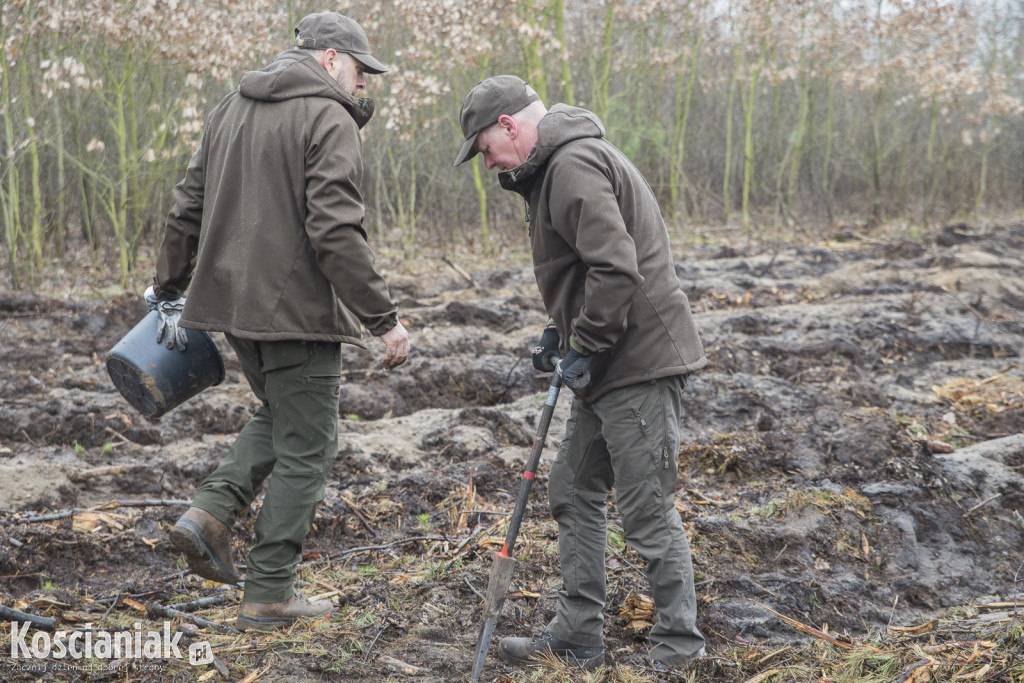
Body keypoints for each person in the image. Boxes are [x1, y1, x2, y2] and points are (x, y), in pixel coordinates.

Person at [146, 12, 410, 631]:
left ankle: (209, 512)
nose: (365, 82)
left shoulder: (229, 108)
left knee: (282, 417)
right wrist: (383, 320)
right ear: (328, 60)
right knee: (311, 447)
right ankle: (268, 593)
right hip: (297, 314)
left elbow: (188, 203)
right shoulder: (329, 117)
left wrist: (167, 285)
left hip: (233, 308)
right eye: (360, 68)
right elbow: (335, 231)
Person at [454, 76, 707, 671]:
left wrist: (586, 342)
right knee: (572, 487)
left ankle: (681, 649)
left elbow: (616, 267)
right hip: (607, 364)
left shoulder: (571, 165)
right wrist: (559, 332)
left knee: (646, 508)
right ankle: (577, 634)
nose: (487, 163)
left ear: (510, 126)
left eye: (486, 148)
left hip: (636, 363)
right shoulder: (554, 170)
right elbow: (583, 268)